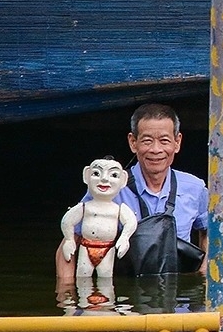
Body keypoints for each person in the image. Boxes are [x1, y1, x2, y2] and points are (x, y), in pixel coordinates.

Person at [55, 103, 209, 279]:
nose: (156, 150)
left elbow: (209, 231)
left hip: (177, 297)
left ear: (177, 142)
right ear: (133, 143)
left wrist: (204, 275)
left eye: (164, 140)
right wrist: (67, 296)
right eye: (147, 141)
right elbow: (69, 242)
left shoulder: (195, 188)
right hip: (121, 297)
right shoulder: (108, 189)